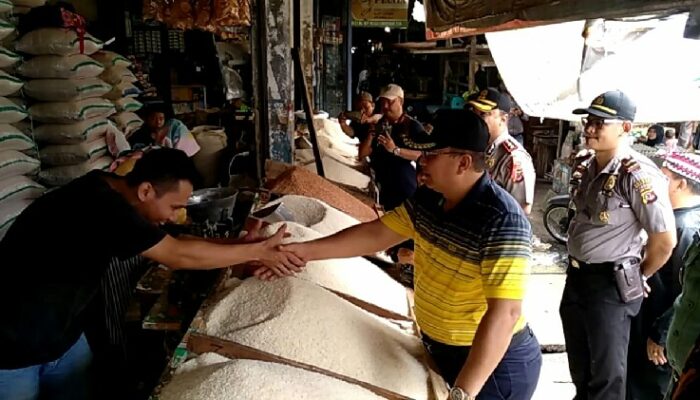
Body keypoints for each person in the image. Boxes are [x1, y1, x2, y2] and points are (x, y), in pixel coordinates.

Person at [258, 109, 543, 400]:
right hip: (442, 348)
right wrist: (301, 252)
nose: (421, 162)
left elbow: (505, 313)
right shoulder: (430, 197)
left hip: (492, 368)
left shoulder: (502, 221)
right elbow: (376, 234)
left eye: (431, 155)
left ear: (464, 163)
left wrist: (463, 394)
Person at [0, 148, 304, 400]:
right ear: (146, 190)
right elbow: (176, 255)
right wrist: (258, 252)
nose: (175, 216)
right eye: (173, 207)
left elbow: (177, 242)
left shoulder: (109, 186)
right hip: (12, 346)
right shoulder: (101, 207)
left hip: (63, 337)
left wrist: (238, 244)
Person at [561, 90, 677, 400]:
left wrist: (640, 275)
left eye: (600, 123)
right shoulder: (585, 165)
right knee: (581, 368)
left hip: (611, 285)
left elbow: (664, 241)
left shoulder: (637, 175)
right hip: (576, 279)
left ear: (625, 128)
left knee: (607, 377)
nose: (589, 128)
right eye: (589, 121)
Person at [627, 152, 700, 400]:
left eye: (665, 179)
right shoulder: (671, 218)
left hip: (660, 333)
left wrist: (661, 333)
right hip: (646, 321)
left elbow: (686, 292)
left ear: (681, 184)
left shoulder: (687, 227)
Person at [469, 88, 536, 214]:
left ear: (503, 119)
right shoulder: (480, 148)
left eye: (483, 114)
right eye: (475, 113)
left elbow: (522, 209)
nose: (477, 119)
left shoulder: (514, 157)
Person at [128, 103, 201, 157]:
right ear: (147, 119)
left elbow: (182, 152)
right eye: (153, 119)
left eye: (161, 118)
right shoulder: (139, 135)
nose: (158, 122)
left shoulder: (173, 127)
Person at [498, 82, 529, 146]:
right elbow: (498, 117)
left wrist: (521, 113)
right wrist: (508, 113)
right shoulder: (503, 100)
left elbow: (526, 118)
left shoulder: (520, 100)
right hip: (506, 135)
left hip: (518, 135)